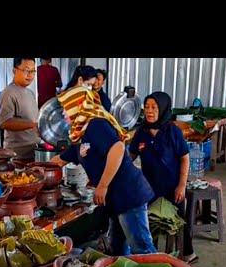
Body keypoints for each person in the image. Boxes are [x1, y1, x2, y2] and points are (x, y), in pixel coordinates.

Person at [51, 86, 157, 255]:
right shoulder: (82, 133)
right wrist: (36, 172)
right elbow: (60, 160)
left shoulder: (96, 124)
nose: (64, 114)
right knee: (118, 248)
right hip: (115, 199)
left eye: (66, 109)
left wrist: (102, 186)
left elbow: (117, 148)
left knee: (143, 249)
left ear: (77, 106)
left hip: (128, 193)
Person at [128, 91, 197, 263]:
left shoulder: (172, 131)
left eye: (154, 107)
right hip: (149, 187)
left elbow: (184, 158)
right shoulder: (141, 132)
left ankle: (187, 253)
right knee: (148, 221)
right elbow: (131, 156)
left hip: (172, 186)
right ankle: (153, 255)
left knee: (180, 221)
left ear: (163, 108)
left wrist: (181, 185)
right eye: (146, 107)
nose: (149, 111)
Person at [0, 58, 40, 161]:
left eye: (33, 71)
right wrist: (33, 125)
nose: (30, 75)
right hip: (18, 155)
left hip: (34, 151)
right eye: (26, 70)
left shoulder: (30, 93)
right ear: (14, 71)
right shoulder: (9, 93)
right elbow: (4, 123)